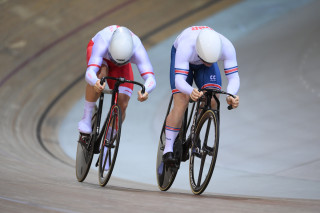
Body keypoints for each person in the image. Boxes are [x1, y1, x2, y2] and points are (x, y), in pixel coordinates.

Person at [163, 26, 240, 163]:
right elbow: (179, 80)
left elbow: (233, 77)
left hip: (204, 61)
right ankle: (168, 148)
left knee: (213, 99)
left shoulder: (226, 47)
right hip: (183, 58)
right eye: (207, 60)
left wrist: (231, 95)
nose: (209, 64)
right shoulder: (186, 46)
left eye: (212, 61)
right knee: (182, 102)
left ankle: (195, 131)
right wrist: (190, 91)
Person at [78, 25, 156, 144]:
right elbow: (90, 72)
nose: (115, 63)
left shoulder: (137, 48)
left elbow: (150, 78)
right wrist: (95, 82)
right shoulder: (102, 41)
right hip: (99, 55)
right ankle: (86, 117)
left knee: (123, 103)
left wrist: (146, 91)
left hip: (122, 62)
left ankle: (108, 141)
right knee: (100, 75)